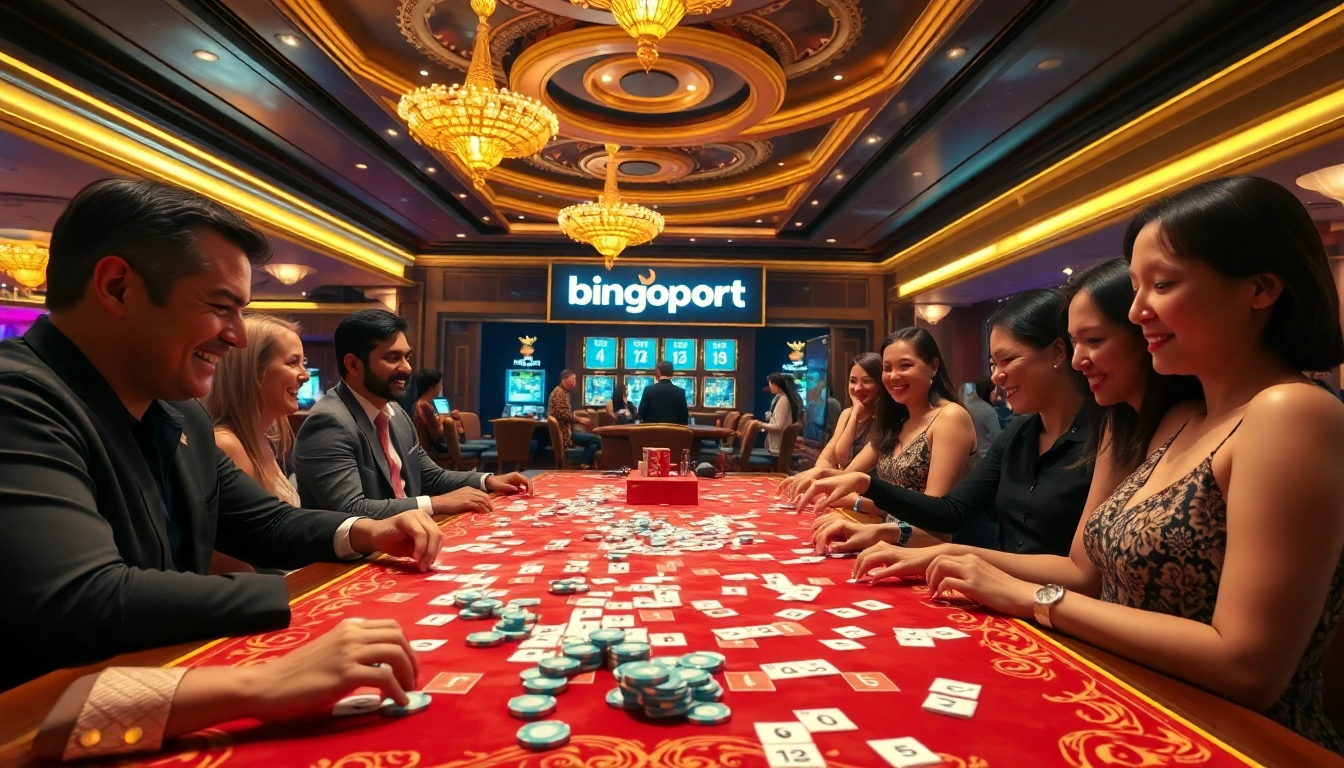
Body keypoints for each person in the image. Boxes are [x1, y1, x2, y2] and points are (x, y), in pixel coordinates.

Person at [840, 178, 1344, 753]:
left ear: (1261, 288)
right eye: (1135, 288)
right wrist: (945, 552)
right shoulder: (1172, 418)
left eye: (1163, 284)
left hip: (1234, 741)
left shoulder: (1290, 410)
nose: (1138, 310)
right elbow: (1084, 570)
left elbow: (1248, 667)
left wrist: (1028, 598)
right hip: (1131, 705)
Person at [0, 177, 441, 693]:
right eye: (219, 306)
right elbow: (84, 600)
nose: (235, 337)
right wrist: (296, 601)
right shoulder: (18, 400)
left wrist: (363, 533)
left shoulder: (179, 414)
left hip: (156, 683)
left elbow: (267, 523)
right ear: (117, 287)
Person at [798, 288, 1093, 556]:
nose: (995, 377)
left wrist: (866, 499)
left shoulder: (1104, 435)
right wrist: (869, 501)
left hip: (1011, 589)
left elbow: (945, 525)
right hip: (995, 586)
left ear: (1058, 352)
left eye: (1008, 360)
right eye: (994, 364)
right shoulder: (1018, 432)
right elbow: (948, 511)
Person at [294, 310, 531, 518]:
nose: (407, 368)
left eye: (407, 357)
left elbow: (431, 476)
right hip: (351, 563)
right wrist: (435, 503)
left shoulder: (395, 413)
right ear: (353, 365)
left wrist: (486, 481)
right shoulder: (328, 423)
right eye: (392, 358)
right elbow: (352, 511)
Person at [206, 314, 307, 507]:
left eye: (304, 363)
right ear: (253, 370)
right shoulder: (228, 444)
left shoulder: (263, 438)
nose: (305, 375)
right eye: (293, 362)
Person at [797, 352, 881, 473]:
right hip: (839, 482)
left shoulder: (885, 420)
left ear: (881, 384)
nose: (857, 388)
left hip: (861, 488)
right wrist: (855, 413)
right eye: (853, 381)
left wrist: (821, 474)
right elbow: (827, 457)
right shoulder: (847, 413)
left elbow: (846, 466)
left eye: (866, 381)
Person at [547, 368, 601, 468]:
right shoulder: (559, 393)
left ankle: (584, 464)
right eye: (573, 379)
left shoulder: (561, 392)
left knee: (593, 445)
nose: (574, 383)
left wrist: (578, 419)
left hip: (569, 431)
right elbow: (563, 414)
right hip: (567, 434)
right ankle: (611, 462)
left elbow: (564, 413)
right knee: (597, 439)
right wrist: (579, 420)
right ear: (564, 379)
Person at [403, 368, 452, 454]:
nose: (441, 387)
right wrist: (443, 417)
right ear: (432, 387)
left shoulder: (418, 404)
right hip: (431, 451)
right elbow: (438, 432)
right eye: (440, 384)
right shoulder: (423, 406)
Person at [637, 360, 690, 425]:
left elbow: (641, 413)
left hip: (652, 432)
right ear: (672, 373)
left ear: (658, 372)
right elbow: (684, 417)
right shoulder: (680, 392)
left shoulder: (648, 390)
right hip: (673, 432)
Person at [762, 372, 802, 453]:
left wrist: (759, 424)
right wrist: (771, 416)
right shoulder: (780, 398)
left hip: (779, 445)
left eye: (771, 384)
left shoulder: (784, 399)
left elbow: (779, 425)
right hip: (776, 442)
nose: (770, 386)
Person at [964, 378, 1002, 462]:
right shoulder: (989, 411)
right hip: (987, 457)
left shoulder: (966, 406)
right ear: (991, 392)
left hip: (969, 457)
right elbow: (997, 438)